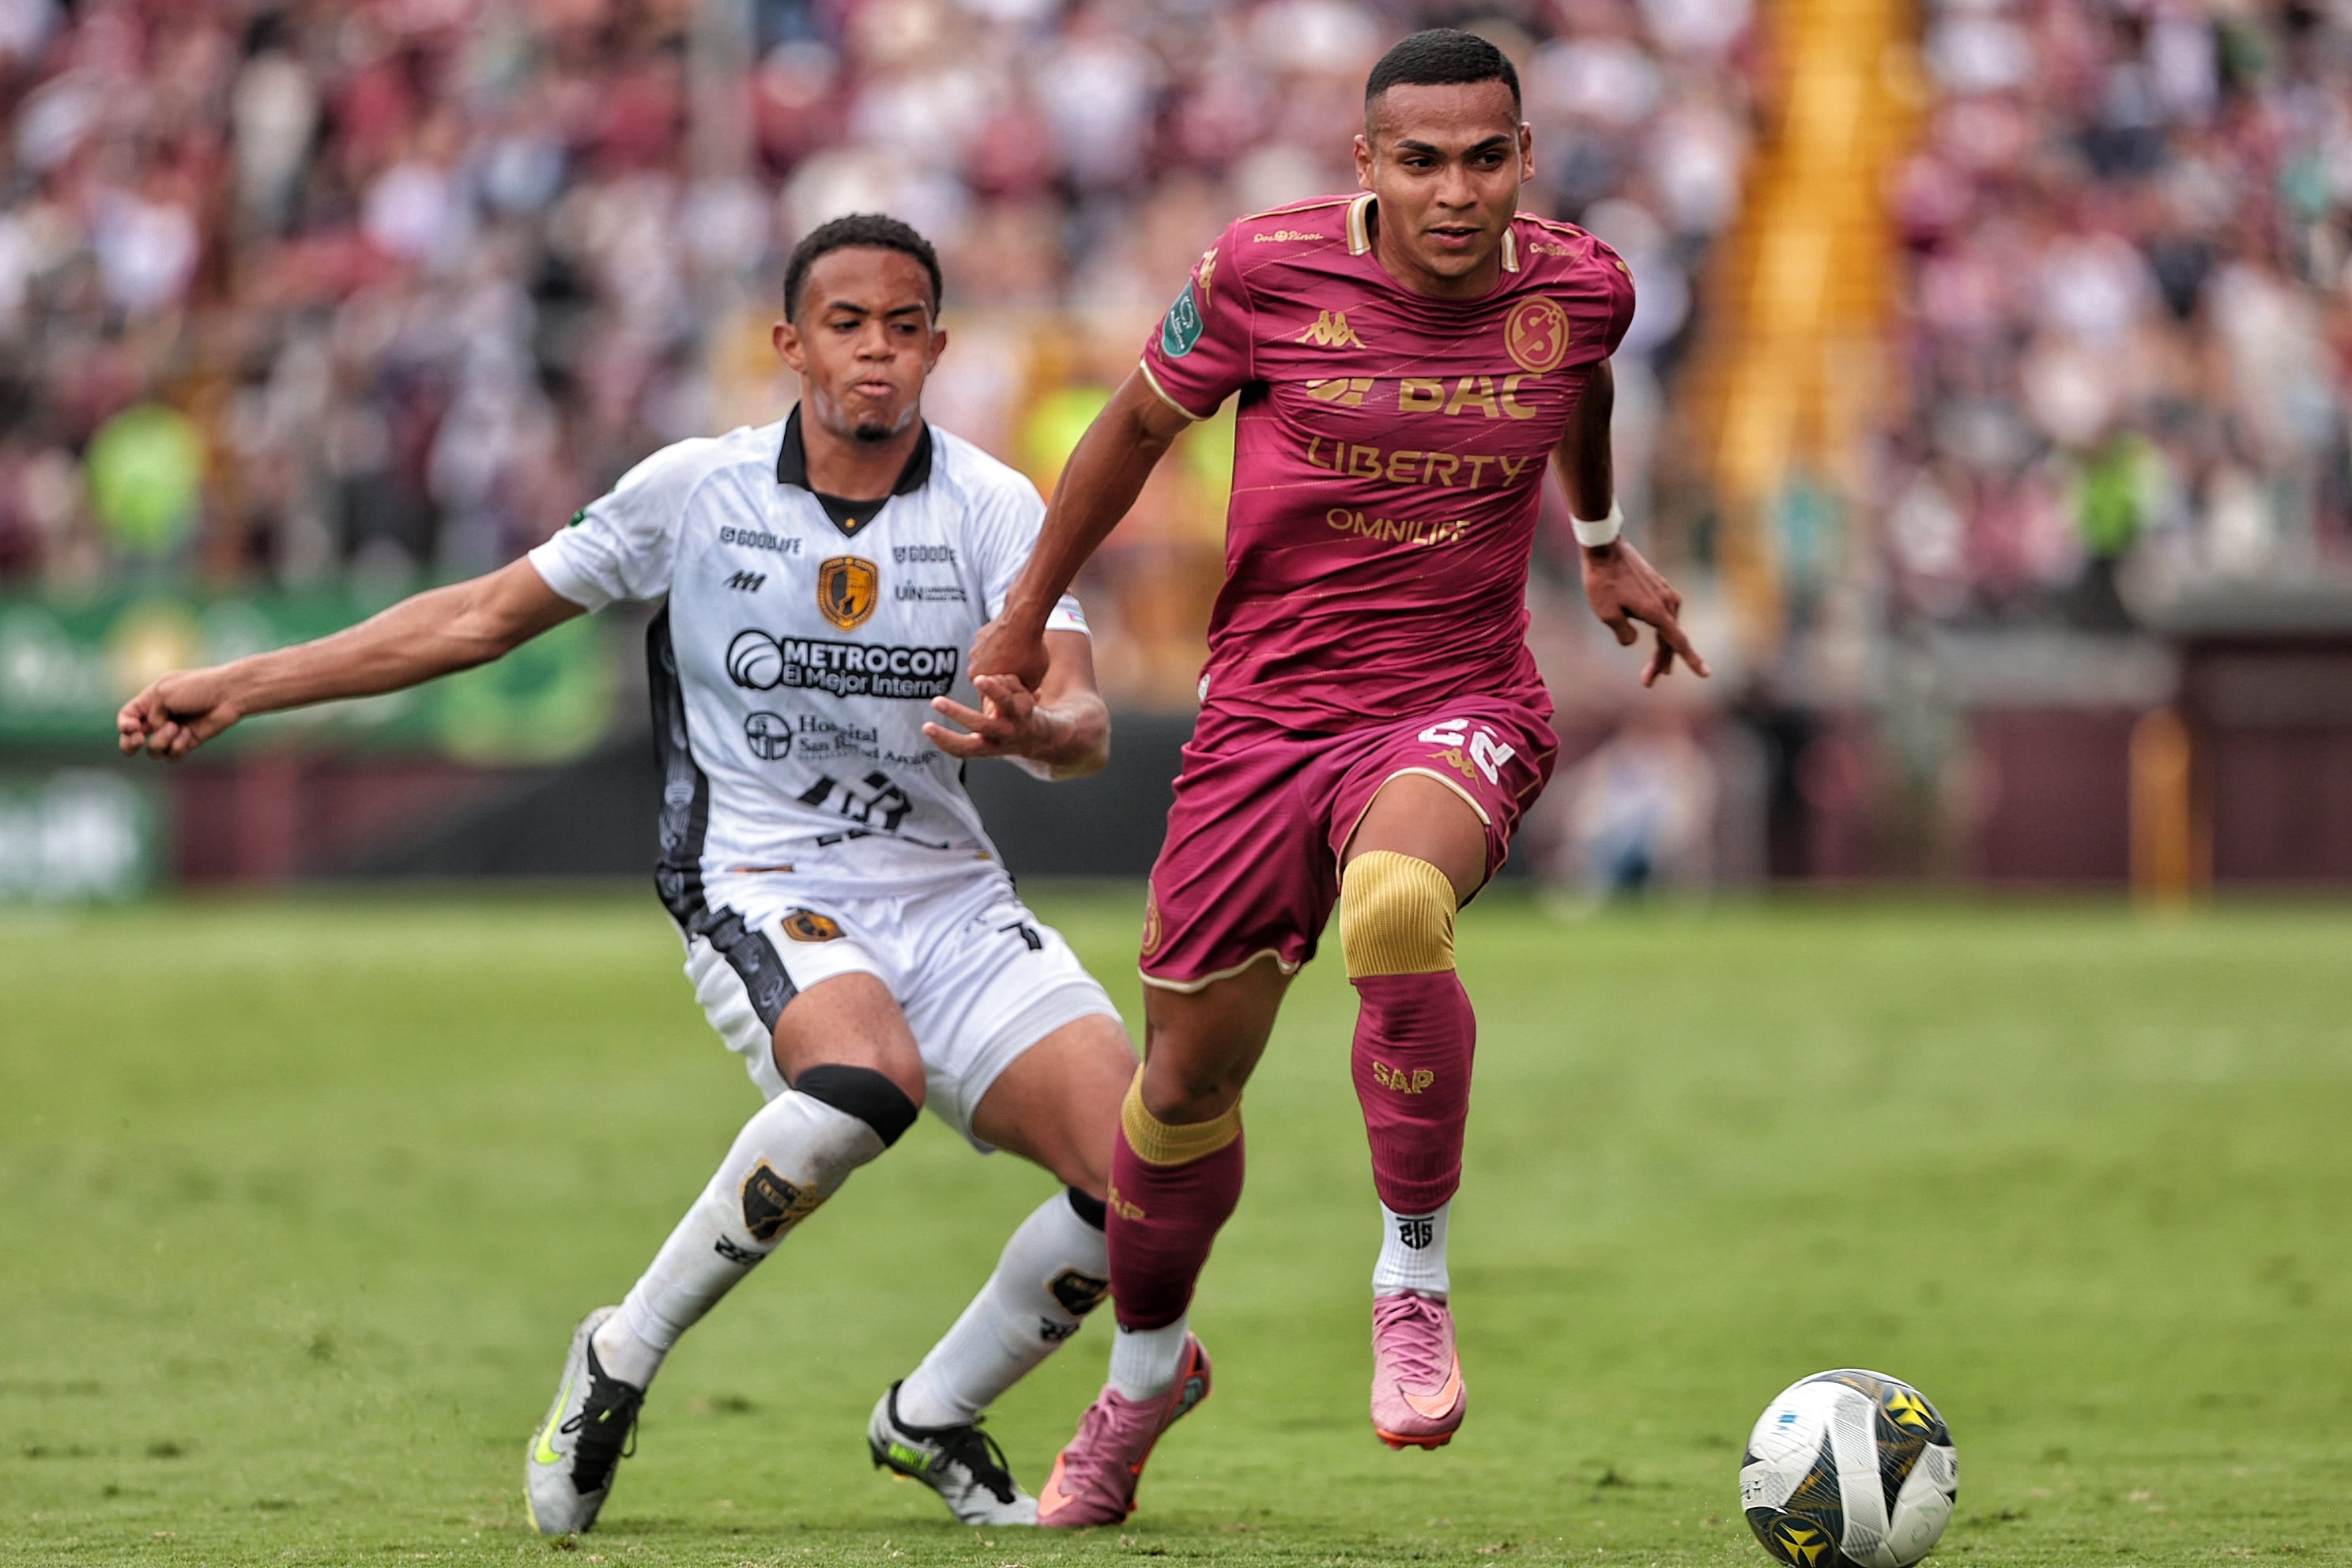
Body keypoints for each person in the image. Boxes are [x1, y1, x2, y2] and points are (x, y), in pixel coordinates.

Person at [116, 215, 1143, 1533]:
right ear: (789, 346)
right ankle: (621, 1355)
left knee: (1150, 1184)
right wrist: (242, 686)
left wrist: (1038, 732)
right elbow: (483, 616)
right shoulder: (696, 493)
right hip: (762, 874)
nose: (877, 355)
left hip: (947, 892)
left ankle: (933, 1414)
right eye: (847, 326)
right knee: (861, 1083)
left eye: (904, 328)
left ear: (940, 347)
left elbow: (1089, 724)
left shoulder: (998, 505)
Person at [965, 30, 1709, 1526]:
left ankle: (1413, 1276)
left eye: (1485, 159)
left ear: (1524, 160)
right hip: (1261, 729)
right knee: (1177, 1097)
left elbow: (1581, 383)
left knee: (1394, 903)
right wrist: (1025, 612)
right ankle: (1142, 1380)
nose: (1456, 193)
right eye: (1421, 162)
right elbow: (1126, 432)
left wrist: (1601, 533)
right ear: (1365, 165)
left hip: (1458, 701)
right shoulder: (1262, 272)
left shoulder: (1582, 285)